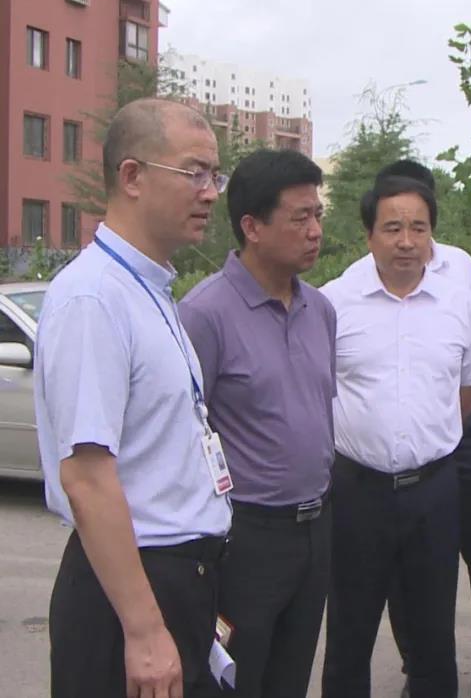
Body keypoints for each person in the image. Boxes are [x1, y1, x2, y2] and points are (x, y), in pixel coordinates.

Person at [34, 98, 232, 697]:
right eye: (193, 172)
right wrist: (145, 630)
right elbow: (87, 479)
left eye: (215, 175)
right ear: (132, 176)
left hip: (176, 580)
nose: (210, 193)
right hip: (127, 590)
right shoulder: (93, 298)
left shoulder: (148, 288)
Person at [320, 174, 471, 698]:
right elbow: (315, 391)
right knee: (349, 631)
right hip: (356, 490)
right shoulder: (332, 304)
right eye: (392, 228)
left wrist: (428, 434)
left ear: (432, 235)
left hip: (433, 491)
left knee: (433, 633)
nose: (406, 241)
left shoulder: (458, 303)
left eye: (419, 228)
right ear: (369, 234)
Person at [179, 149, 335, 698]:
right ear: (252, 226)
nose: (315, 231)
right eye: (300, 217)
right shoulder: (204, 314)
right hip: (245, 537)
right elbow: (185, 434)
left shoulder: (320, 309)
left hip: (315, 528)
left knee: (290, 680)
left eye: (318, 214)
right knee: (235, 680)